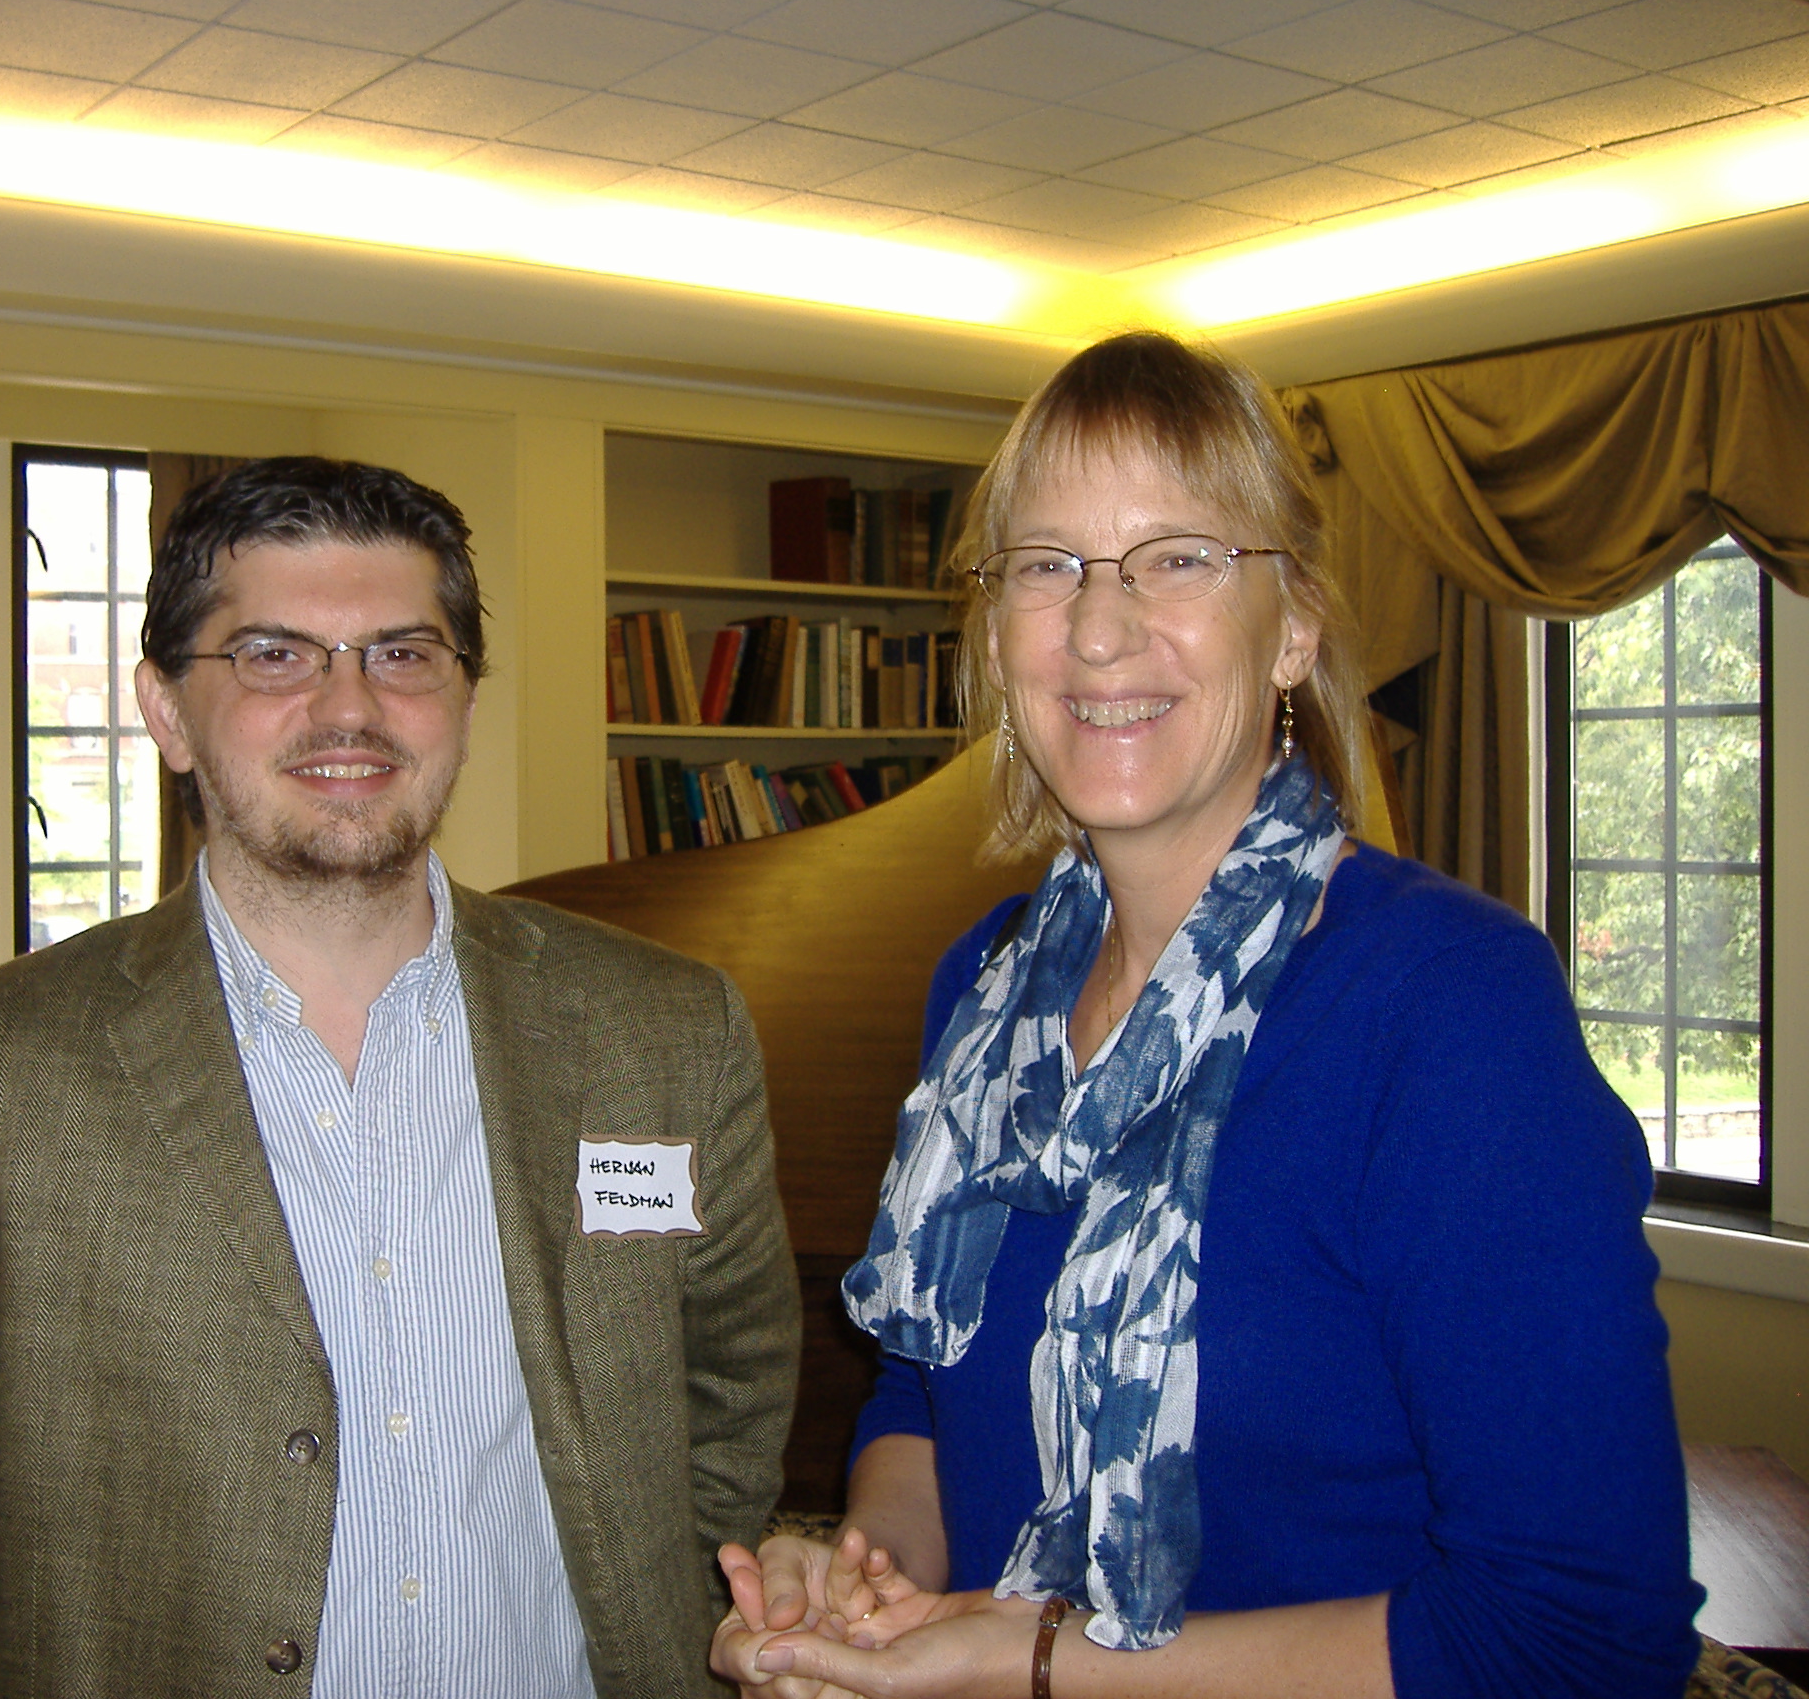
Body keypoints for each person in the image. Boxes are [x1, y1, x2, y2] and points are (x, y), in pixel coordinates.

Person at [710, 334, 1702, 1699]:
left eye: (1179, 557)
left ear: (1293, 625)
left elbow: (1577, 1635)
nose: (1100, 629)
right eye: (1047, 565)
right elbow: (921, 1392)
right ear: (998, 635)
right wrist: (872, 1575)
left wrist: (1044, 1660)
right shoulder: (983, 990)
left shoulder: (1448, 1013)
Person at [0, 456, 799, 1699]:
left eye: (403, 654)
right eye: (273, 655)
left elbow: (732, 1396)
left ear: (465, 698)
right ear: (165, 711)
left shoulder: (669, 1033)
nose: (348, 708)